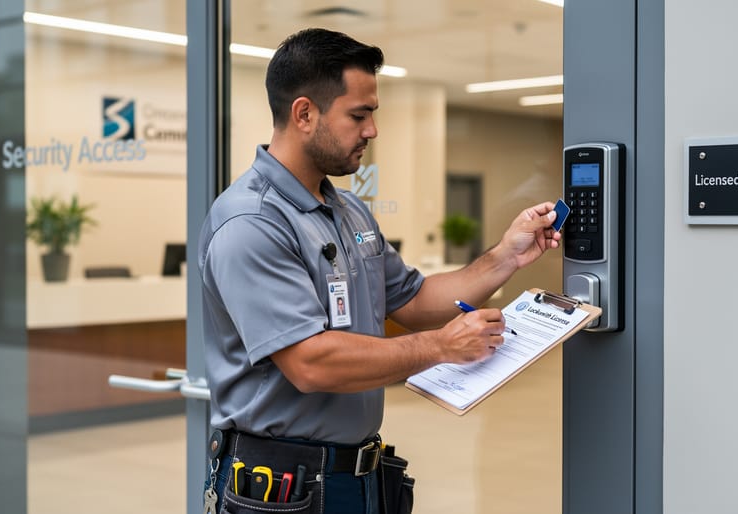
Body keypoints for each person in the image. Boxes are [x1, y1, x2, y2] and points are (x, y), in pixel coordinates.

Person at [198, 27, 562, 514]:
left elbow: (412, 301)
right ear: (304, 114)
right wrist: (441, 347)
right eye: (359, 115)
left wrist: (506, 257)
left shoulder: (347, 210)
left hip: (357, 477)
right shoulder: (252, 222)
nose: (372, 130)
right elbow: (310, 362)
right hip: (282, 487)